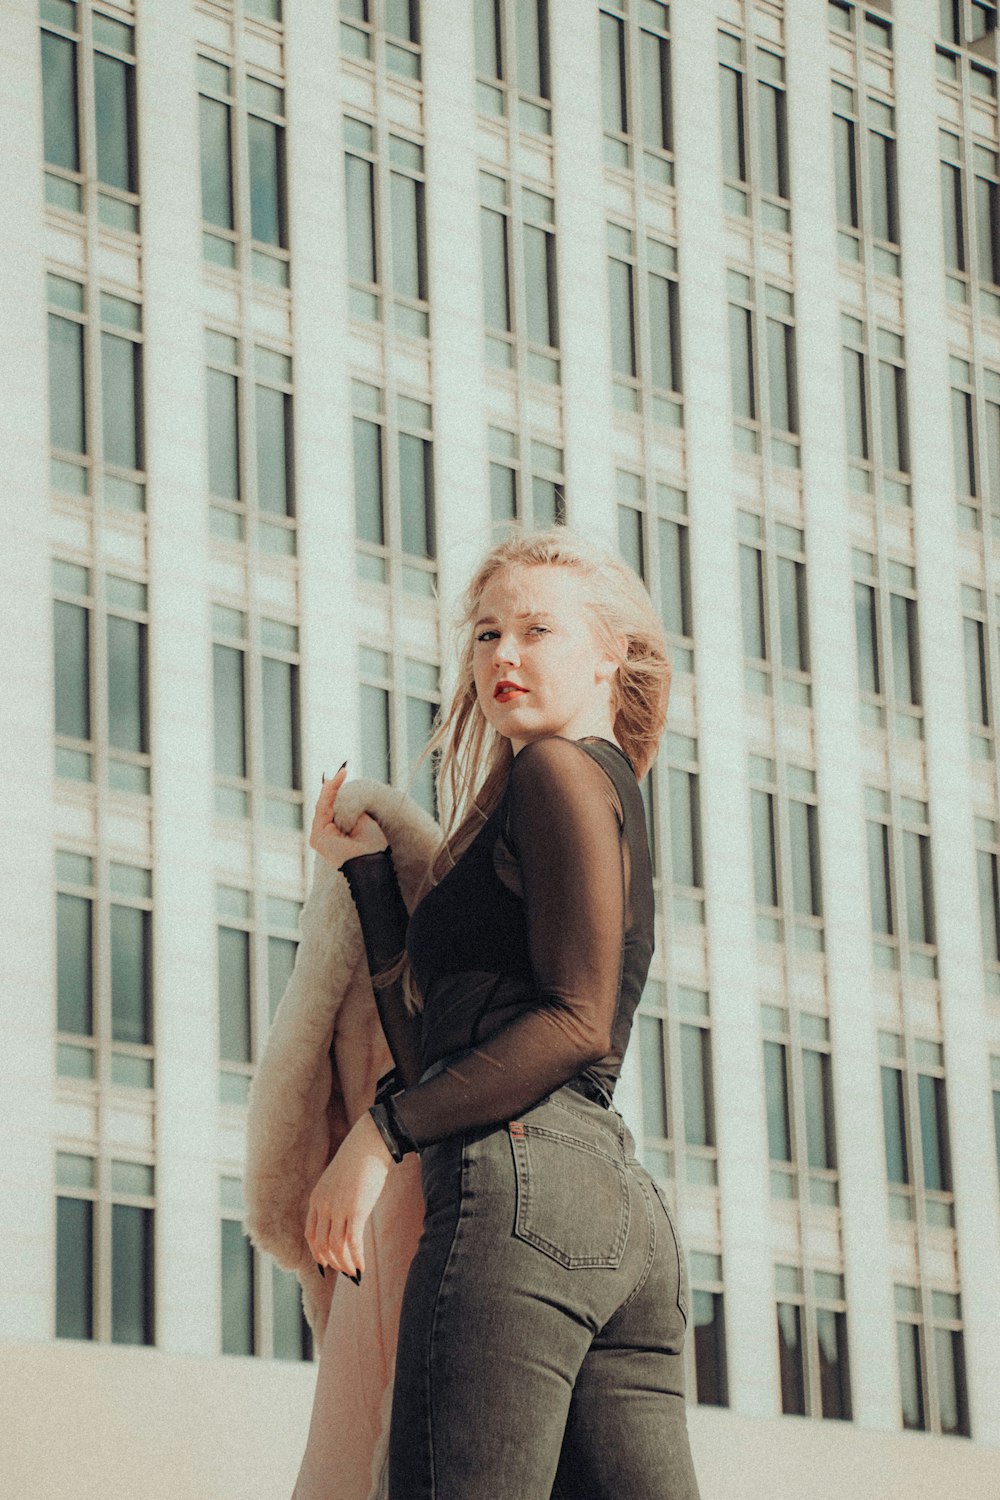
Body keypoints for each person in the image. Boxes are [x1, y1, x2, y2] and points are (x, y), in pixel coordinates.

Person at [305, 527, 701, 1500]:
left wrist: (379, 1132)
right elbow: (447, 1034)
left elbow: (575, 1023)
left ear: (611, 653)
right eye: (485, 635)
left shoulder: (555, 772)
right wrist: (366, 874)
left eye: (535, 629)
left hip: (520, 1180)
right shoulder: (597, 791)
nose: (502, 657)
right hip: (620, 1218)